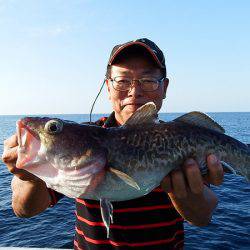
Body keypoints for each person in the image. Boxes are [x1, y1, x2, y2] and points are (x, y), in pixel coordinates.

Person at [2, 38, 224, 250]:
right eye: (122, 81)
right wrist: (28, 177)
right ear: (108, 87)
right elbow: (24, 210)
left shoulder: (178, 138)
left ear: (164, 88)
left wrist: (179, 190)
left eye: (147, 81)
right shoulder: (83, 139)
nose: (134, 91)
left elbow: (202, 217)